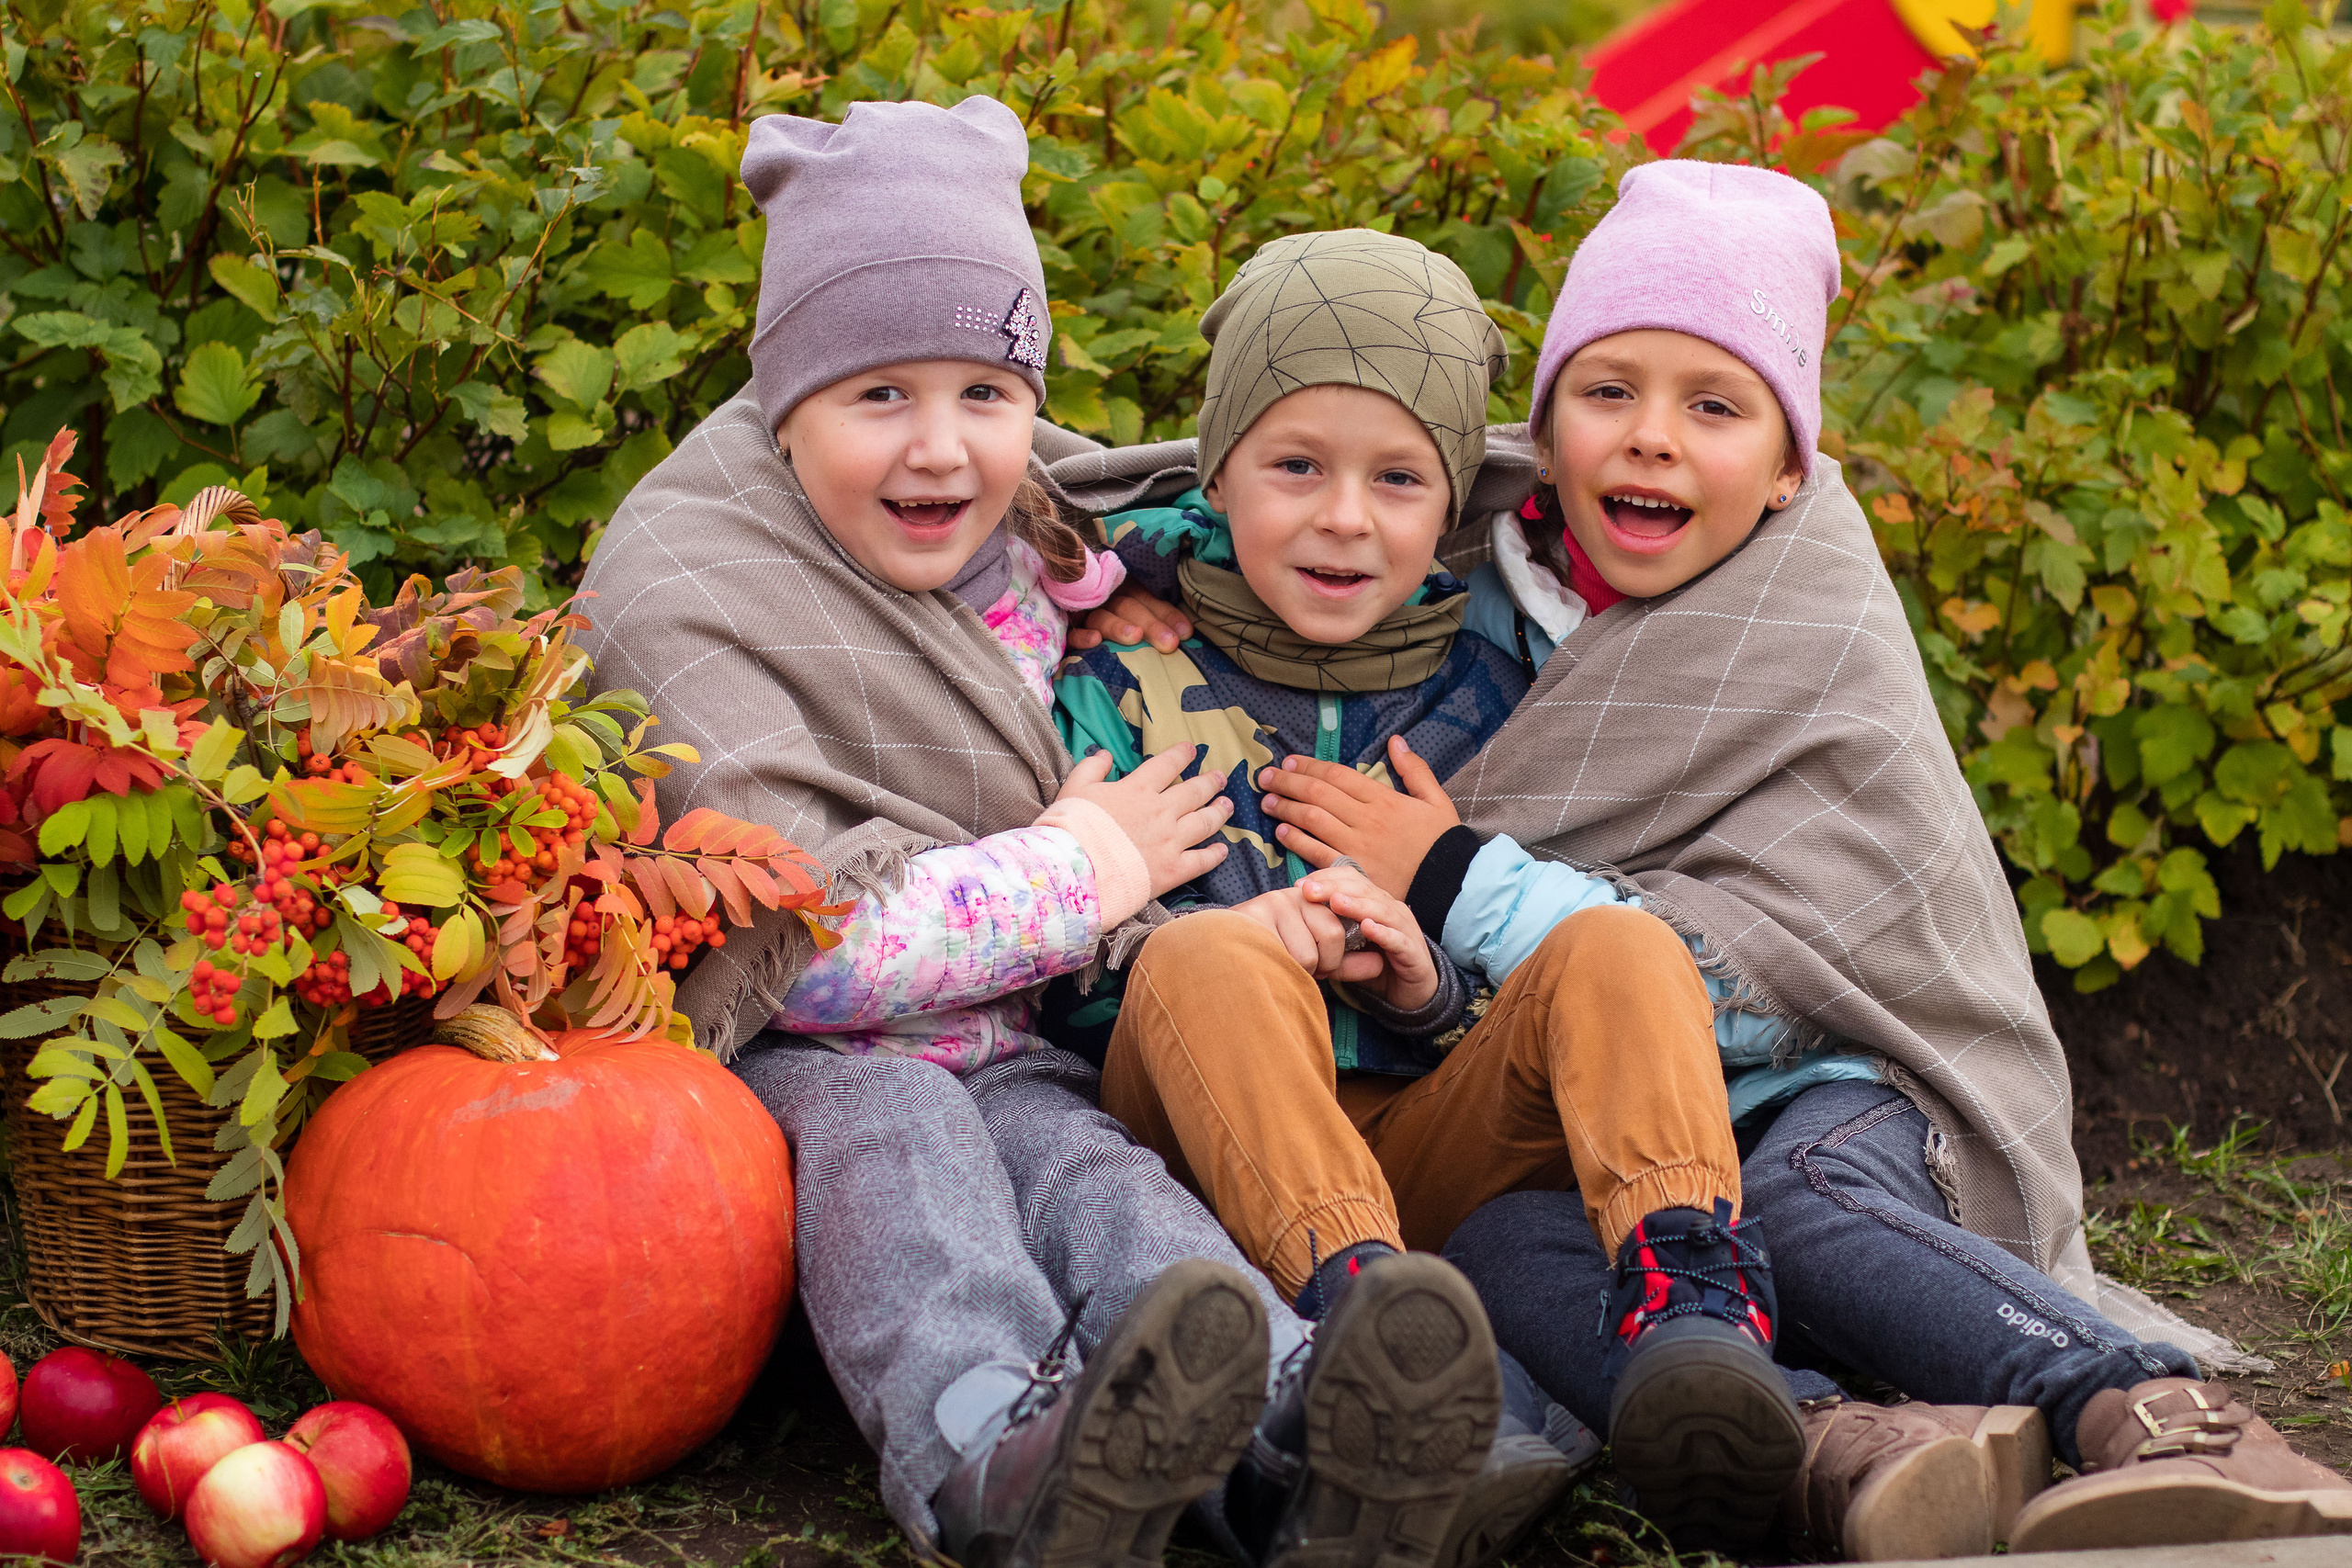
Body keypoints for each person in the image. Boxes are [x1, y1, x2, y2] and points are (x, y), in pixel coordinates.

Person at [1232, 162, 2352, 1560]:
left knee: (1798, 1204)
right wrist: (1133, 601)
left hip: (1824, 1082)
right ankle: (1848, 1449)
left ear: (1785, 463)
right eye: (1606, 392)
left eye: (1713, 407)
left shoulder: (1809, 614)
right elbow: (1234, 520)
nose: (1649, 441)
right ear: (1545, 421)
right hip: (1576, 1130)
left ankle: (2150, 1418)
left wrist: (1450, 872)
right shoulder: (1459, 561)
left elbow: (1772, 985)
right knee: (1498, 1254)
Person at [575, 96, 1514, 1568]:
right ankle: (997, 1451)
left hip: (1019, 1046)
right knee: (907, 1173)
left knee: (1111, 1193)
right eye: (877, 395)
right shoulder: (701, 570)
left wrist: (1138, 591)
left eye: (986, 395)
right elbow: (791, 942)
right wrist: (1089, 866)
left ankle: (1303, 1432)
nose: (942, 450)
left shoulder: (1042, 549)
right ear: (785, 403)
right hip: (813, 1065)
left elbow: (1155, 523)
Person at [1050, 228, 1810, 1560]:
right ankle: (1368, 1348)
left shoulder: (1501, 678)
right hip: (1213, 1134)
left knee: (1616, 945)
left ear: (1452, 496)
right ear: (1218, 472)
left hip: (1428, 1146)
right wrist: (1227, 936)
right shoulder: (1122, 674)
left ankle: (1690, 1298)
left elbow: (1517, 1006)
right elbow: (1063, 967)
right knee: (1209, 962)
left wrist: (1427, 984)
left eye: (1399, 479)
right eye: (1296, 467)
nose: (1347, 518)